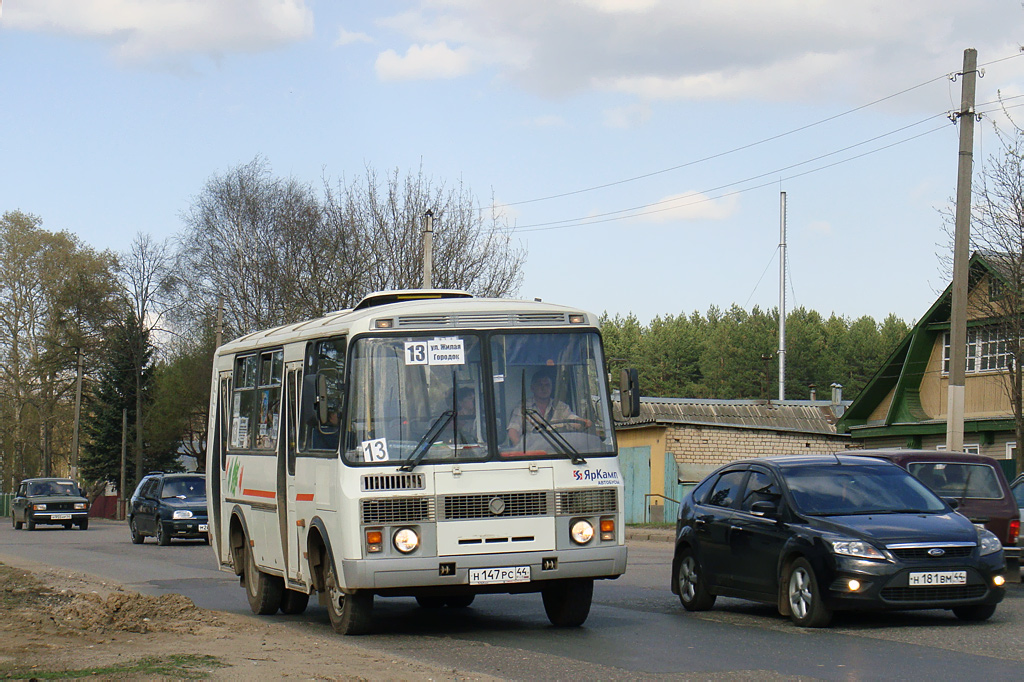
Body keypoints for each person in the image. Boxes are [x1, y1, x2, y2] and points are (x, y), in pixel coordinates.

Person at [507, 367, 590, 446]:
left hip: (558, 451)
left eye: (547, 385)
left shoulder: (561, 407)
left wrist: (583, 422)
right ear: (532, 388)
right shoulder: (523, 407)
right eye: (540, 385)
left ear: (551, 388)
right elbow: (513, 430)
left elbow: (572, 420)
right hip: (533, 453)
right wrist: (520, 450)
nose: (544, 388)